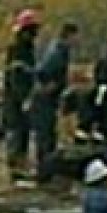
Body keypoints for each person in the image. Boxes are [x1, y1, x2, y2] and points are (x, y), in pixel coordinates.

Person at [32, 22, 78, 183]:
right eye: (75, 37)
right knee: (45, 135)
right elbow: (43, 71)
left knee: (48, 134)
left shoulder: (59, 49)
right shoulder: (57, 51)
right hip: (45, 99)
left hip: (49, 98)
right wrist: (49, 85)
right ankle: (44, 171)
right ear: (69, 35)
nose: (76, 41)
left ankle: (46, 170)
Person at [4, 10, 42, 181]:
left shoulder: (24, 48)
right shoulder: (19, 49)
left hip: (19, 95)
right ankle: (15, 165)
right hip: (16, 96)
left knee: (22, 130)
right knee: (16, 129)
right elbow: (16, 74)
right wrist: (23, 98)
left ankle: (18, 163)